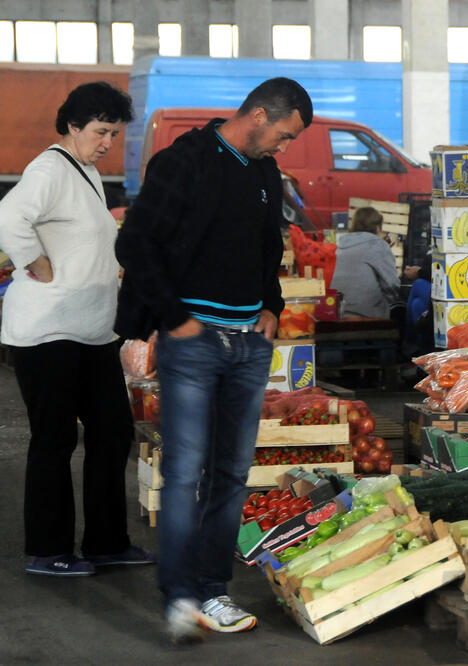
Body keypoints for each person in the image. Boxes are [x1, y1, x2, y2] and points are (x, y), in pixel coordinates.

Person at [114, 78, 312, 643]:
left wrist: (272, 306)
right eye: (284, 134)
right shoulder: (185, 163)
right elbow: (136, 245)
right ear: (258, 115)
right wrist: (175, 317)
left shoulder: (265, 173)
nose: (285, 147)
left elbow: (268, 246)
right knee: (183, 476)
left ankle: (212, 589)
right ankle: (179, 599)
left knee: (230, 474)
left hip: (249, 344)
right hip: (194, 342)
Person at [0, 82, 153, 577]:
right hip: (48, 332)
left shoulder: (83, 169)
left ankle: (107, 542)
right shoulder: (49, 168)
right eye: (101, 131)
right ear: (72, 126)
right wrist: (34, 261)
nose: (108, 141)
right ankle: (49, 550)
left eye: (113, 132)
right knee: (55, 438)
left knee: (112, 432)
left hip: (90, 332)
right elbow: (7, 216)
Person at [327, 206, 401, 319]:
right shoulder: (378, 245)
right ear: (377, 227)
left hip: (335, 313)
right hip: (366, 315)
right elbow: (392, 285)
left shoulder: (340, 246)